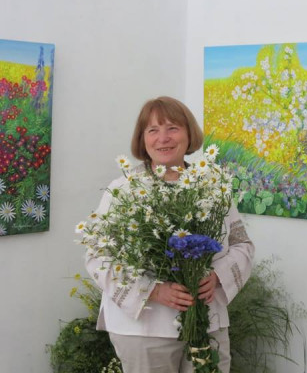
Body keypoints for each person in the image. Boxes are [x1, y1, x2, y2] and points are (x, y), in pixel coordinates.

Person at [86, 96, 254, 373]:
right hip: (143, 329)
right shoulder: (123, 190)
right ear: (142, 139)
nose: (163, 138)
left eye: (173, 128)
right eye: (153, 130)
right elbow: (97, 256)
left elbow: (241, 244)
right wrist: (152, 290)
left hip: (207, 323)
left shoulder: (214, 185)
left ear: (189, 134)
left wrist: (217, 277)